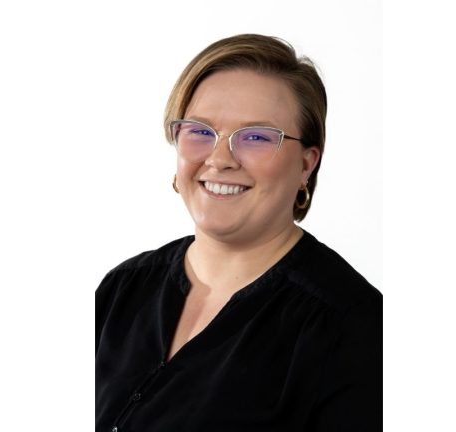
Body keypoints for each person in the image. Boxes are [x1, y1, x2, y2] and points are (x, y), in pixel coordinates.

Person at [95, 34, 382, 431]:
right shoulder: (120, 291)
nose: (219, 158)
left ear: (306, 165)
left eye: (257, 137)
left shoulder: (353, 330)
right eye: (199, 131)